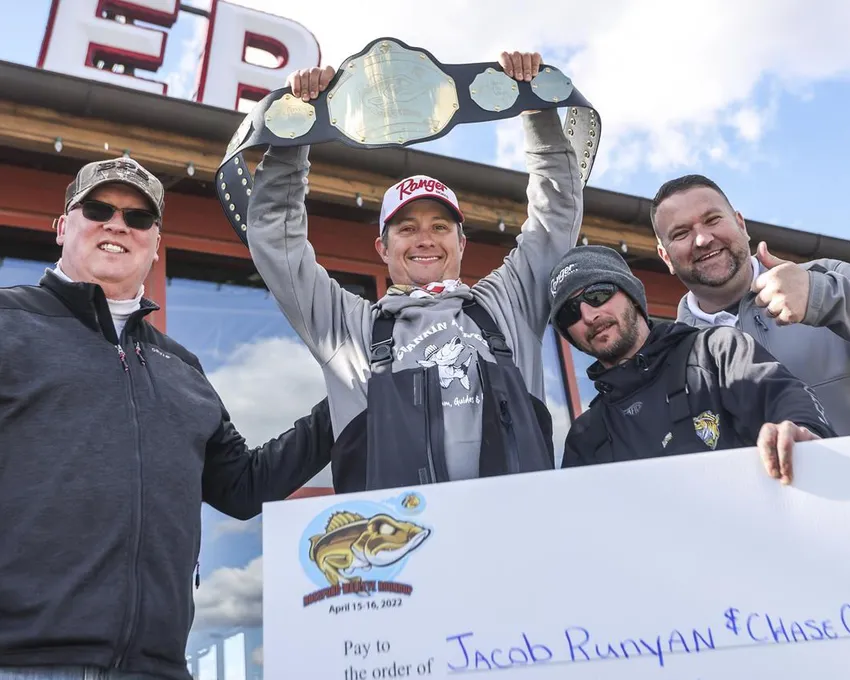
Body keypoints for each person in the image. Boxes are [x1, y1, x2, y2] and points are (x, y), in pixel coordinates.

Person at [0, 157, 333, 680]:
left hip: (156, 669)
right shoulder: (8, 323)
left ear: (155, 243)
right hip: (22, 662)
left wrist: (348, 401)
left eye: (138, 218)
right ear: (64, 226)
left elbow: (243, 487)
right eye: (98, 209)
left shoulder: (182, 366)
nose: (117, 225)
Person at [246, 50, 584, 492]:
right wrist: (296, 131)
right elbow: (278, 241)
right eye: (407, 228)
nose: (425, 238)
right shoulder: (348, 328)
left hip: (518, 547)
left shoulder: (508, 306)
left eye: (440, 226)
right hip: (398, 551)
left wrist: (537, 107)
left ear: (462, 243)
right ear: (382, 249)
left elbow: (554, 217)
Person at [548, 245, 835, 483]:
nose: (588, 315)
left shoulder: (716, 353)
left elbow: (785, 400)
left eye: (597, 295)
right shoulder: (586, 436)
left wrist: (800, 431)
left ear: (632, 295)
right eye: (570, 313)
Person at [650, 174, 850, 435]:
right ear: (666, 257)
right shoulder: (670, 359)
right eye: (681, 233)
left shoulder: (828, 277)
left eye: (712, 219)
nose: (702, 239)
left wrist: (820, 297)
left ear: (741, 225)